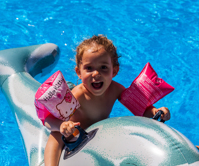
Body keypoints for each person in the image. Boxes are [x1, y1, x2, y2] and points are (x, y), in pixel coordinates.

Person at [41, 35, 170, 166]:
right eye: (89, 68)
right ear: (79, 73)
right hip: (75, 133)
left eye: (103, 67)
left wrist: (156, 111)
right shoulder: (76, 96)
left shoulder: (115, 89)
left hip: (99, 132)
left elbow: (140, 109)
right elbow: (47, 120)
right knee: (56, 136)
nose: (96, 74)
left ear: (114, 71)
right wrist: (61, 126)